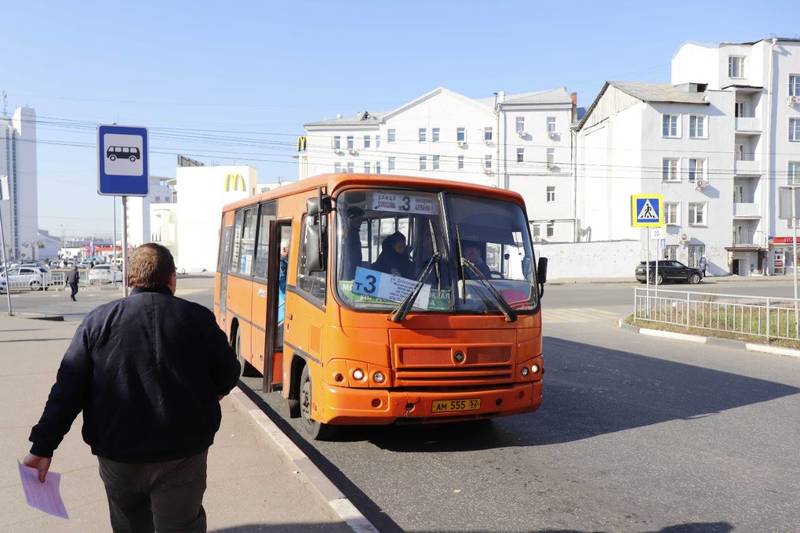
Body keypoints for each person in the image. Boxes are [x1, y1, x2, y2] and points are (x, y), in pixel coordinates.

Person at [23, 243, 241, 533]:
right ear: (172, 278)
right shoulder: (197, 319)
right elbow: (228, 372)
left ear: (131, 278)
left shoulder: (97, 322)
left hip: (118, 455)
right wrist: (209, 396)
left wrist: (43, 446)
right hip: (183, 453)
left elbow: (67, 390)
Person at [340, 206, 364, 280]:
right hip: (348, 272)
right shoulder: (347, 233)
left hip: (355, 270)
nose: (360, 223)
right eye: (358, 220)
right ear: (350, 219)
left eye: (361, 220)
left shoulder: (355, 233)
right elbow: (348, 258)